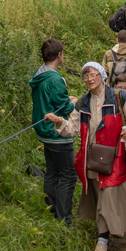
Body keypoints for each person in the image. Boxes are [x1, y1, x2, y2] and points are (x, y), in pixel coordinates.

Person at [45, 62, 126, 251]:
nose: (89, 79)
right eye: (85, 76)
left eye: (93, 74)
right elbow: (72, 129)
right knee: (101, 196)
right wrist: (60, 122)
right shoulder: (82, 103)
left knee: (108, 194)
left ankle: (102, 241)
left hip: (114, 155)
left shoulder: (119, 97)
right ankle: (109, 230)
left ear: (102, 75)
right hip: (93, 158)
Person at [29, 38, 79, 225]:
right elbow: (62, 108)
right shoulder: (55, 78)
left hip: (43, 130)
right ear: (59, 55)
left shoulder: (39, 74)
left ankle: (51, 209)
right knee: (68, 174)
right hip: (56, 132)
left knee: (51, 171)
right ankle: (64, 218)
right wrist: (72, 102)